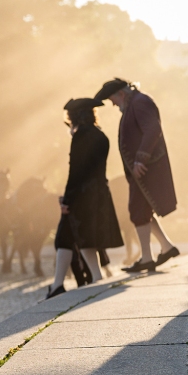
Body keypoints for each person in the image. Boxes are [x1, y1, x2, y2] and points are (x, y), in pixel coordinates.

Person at [94, 78, 179, 272]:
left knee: (138, 211)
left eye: (112, 99)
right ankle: (166, 247)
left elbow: (152, 129)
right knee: (142, 211)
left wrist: (141, 158)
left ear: (121, 94)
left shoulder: (141, 102)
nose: (113, 104)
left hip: (145, 169)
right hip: (141, 171)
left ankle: (147, 258)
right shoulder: (135, 103)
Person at [46, 99, 124, 298]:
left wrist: (67, 200)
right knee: (83, 237)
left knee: (65, 236)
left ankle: (58, 285)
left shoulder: (81, 136)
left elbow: (76, 172)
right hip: (99, 193)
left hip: (82, 195)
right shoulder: (101, 135)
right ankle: (90, 278)